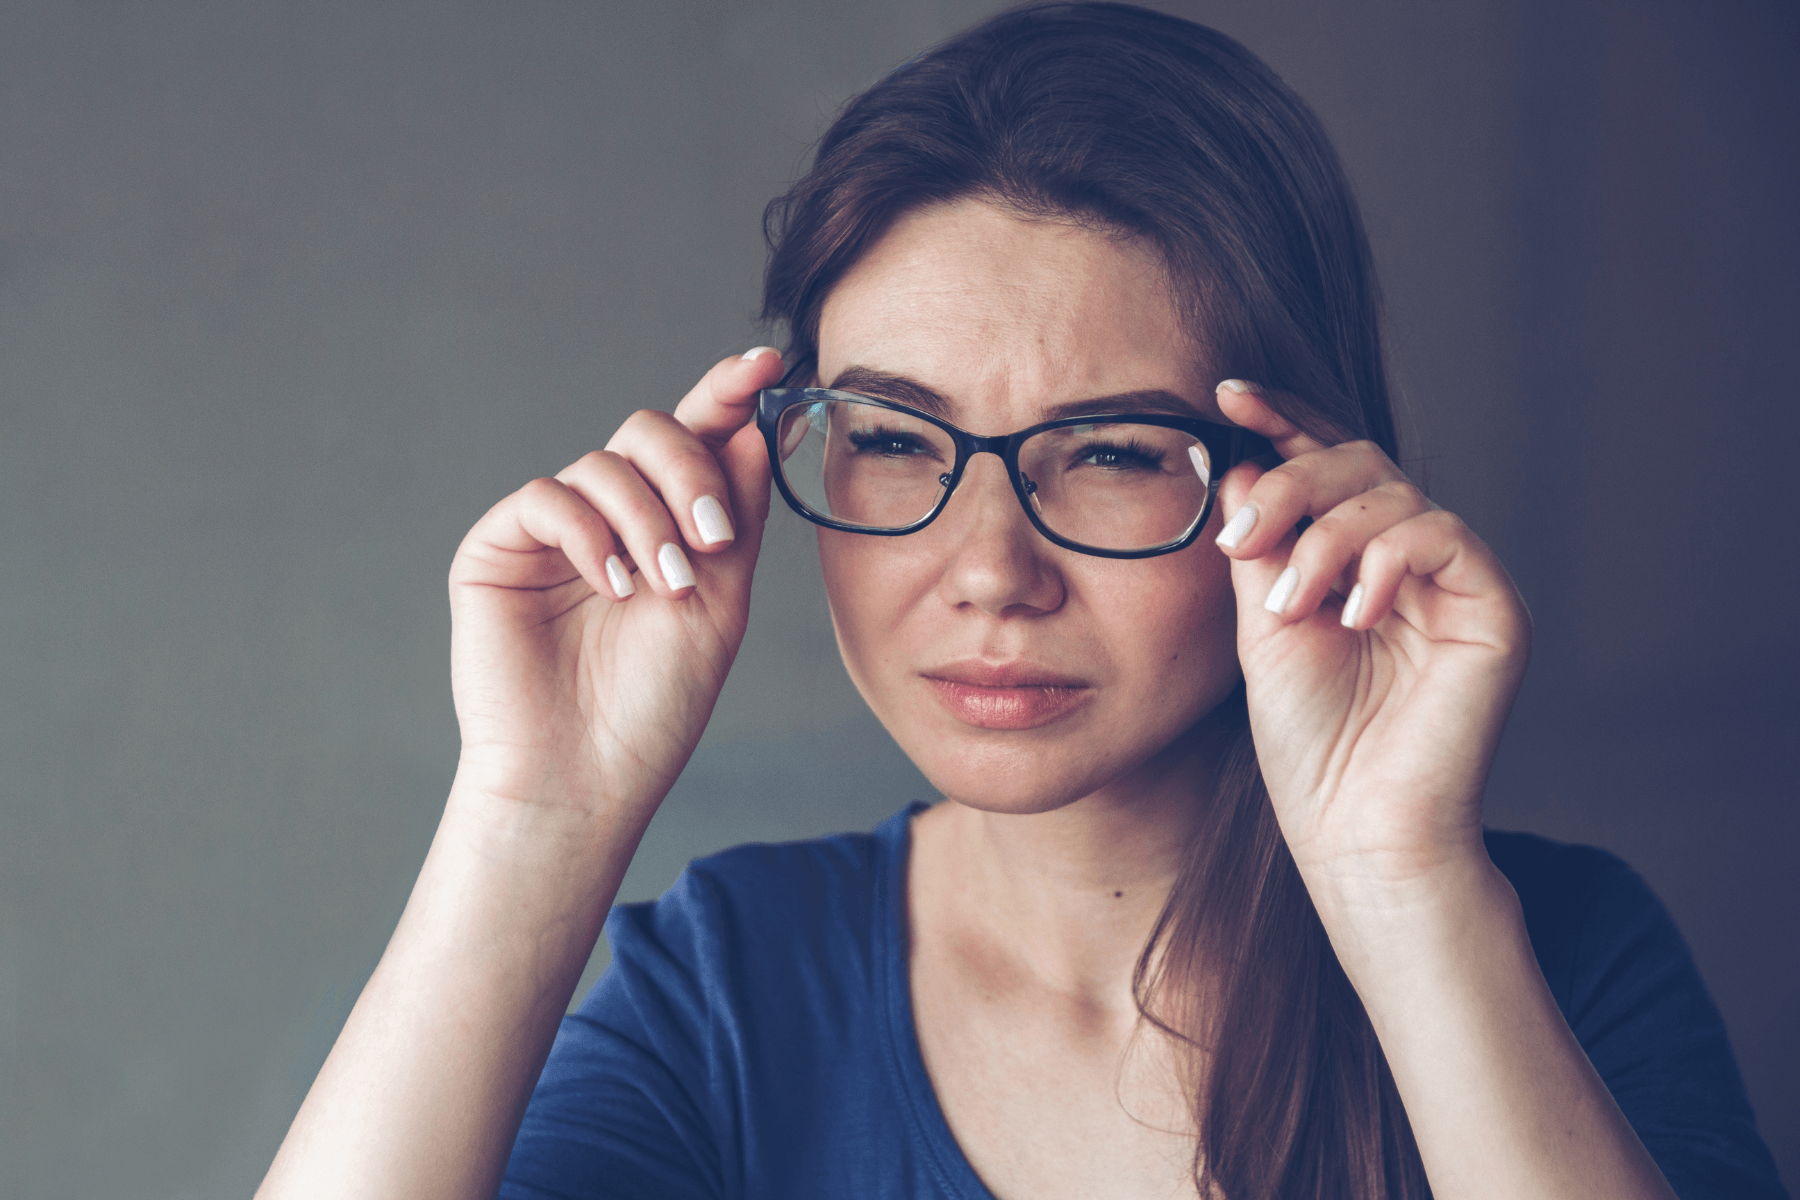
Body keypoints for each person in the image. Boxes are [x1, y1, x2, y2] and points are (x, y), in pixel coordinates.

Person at [257, 5, 1787, 1199]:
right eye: (897, 441)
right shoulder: (734, 992)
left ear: (1300, 479)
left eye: (1115, 452)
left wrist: (1399, 884)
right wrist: (534, 816)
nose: (990, 570)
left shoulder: (1554, 951)